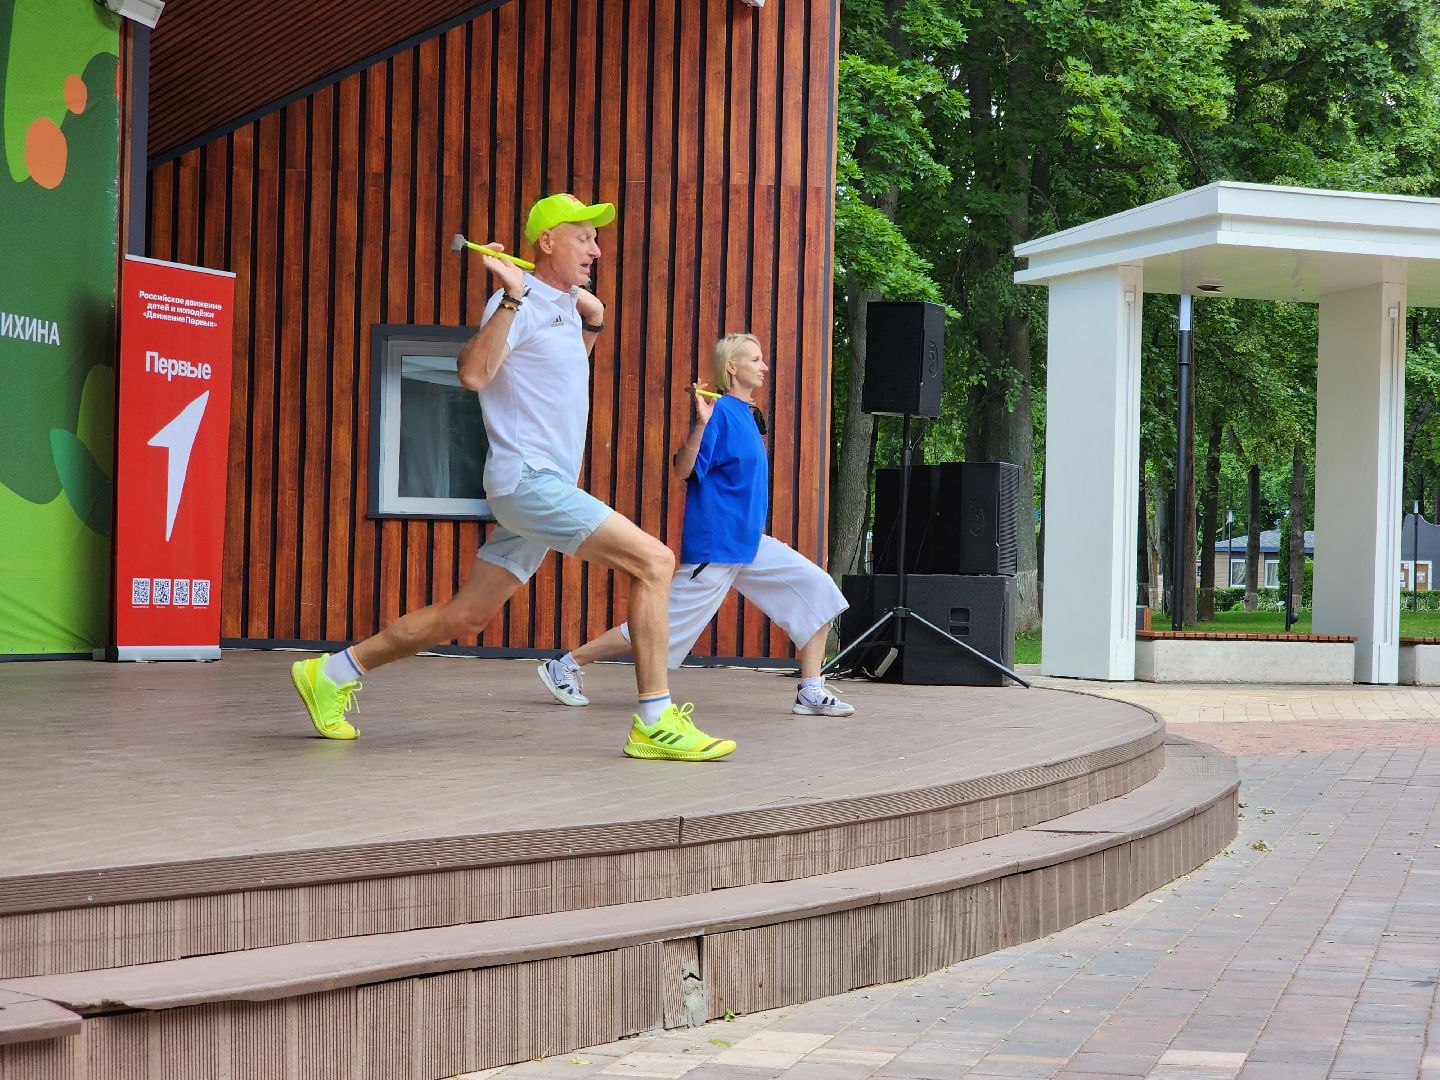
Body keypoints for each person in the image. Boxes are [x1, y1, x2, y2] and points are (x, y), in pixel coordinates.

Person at [290, 193, 736, 762]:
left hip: (543, 485)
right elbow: (474, 374)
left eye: (596, 239)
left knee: (468, 615)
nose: (596, 249)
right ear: (546, 242)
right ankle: (654, 719)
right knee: (655, 561)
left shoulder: (562, 308)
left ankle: (329, 672)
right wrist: (508, 297)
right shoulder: (517, 305)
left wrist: (592, 323)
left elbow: (555, 375)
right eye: (583, 237)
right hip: (529, 482)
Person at [538, 332, 855, 717]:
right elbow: (683, 470)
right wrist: (700, 426)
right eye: (755, 359)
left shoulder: (747, 414)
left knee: (818, 590)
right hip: (717, 547)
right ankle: (565, 664)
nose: (764, 366)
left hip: (749, 543)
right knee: (658, 623)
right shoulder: (718, 412)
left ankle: (810, 689)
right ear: (732, 367)